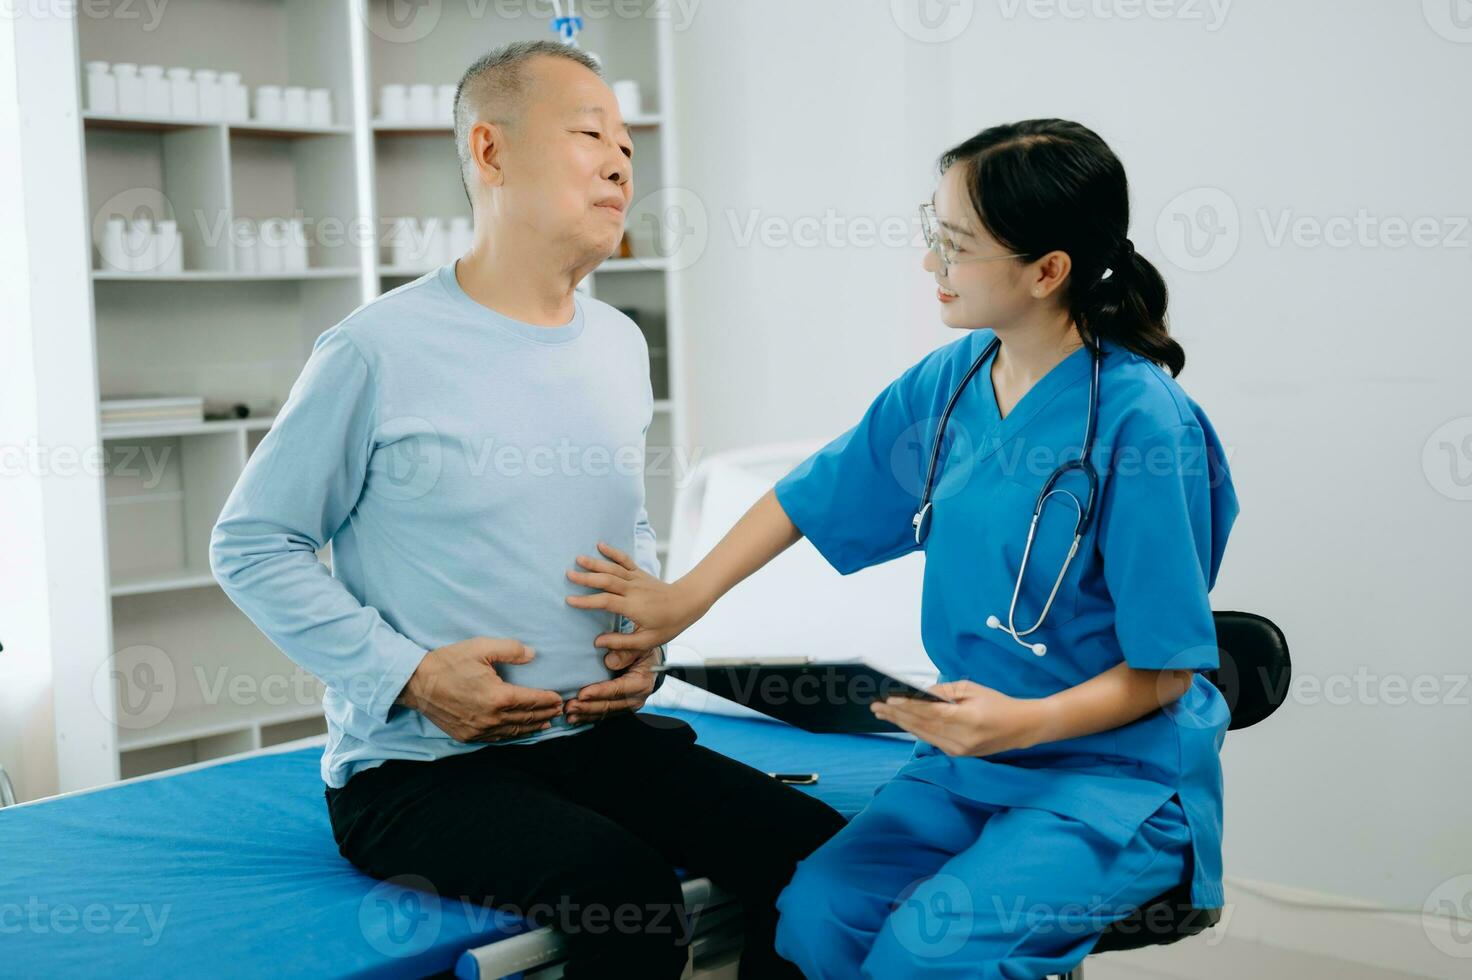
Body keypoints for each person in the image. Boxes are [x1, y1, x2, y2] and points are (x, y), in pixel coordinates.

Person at [209, 41, 843, 980]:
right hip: (418, 772)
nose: (621, 160)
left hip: (595, 737)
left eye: (628, 143)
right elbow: (254, 544)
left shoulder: (620, 344)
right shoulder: (376, 350)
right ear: (491, 152)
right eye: (590, 133)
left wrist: (642, 642)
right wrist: (413, 675)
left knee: (828, 860)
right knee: (625, 895)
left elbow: (617, 525)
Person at [565, 119, 1240, 978]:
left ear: (1046, 271)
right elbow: (812, 493)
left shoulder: (1146, 427)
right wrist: (682, 599)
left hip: (1111, 780)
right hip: (968, 763)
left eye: (953, 244)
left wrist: (1025, 722)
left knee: (925, 955)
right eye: (933, 233)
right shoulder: (951, 383)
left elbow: (1167, 669)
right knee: (812, 915)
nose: (931, 263)